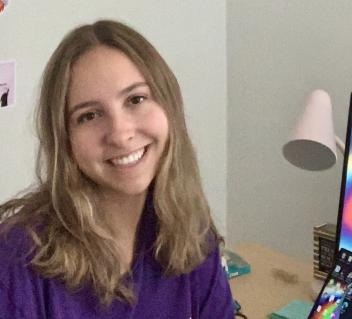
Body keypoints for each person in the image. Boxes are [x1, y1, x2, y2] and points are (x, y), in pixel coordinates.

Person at [0, 20, 234, 318]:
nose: (120, 134)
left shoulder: (191, 233)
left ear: (168, 106)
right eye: (90, 115)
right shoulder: (16, 260)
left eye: (136, 99)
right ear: (64, 138)